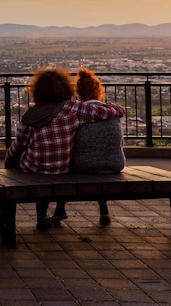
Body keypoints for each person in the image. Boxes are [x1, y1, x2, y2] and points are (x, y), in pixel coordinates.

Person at [4, 66, 125, 229]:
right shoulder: (72, 108)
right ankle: (50, 215)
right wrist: (118, 108)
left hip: (32, 168)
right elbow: (103, 111)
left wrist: (9, 161)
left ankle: (41, 217)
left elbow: (18, 145)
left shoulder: (31, 114)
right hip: (61, 168)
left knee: (28, 162)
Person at [49, 68, 126, 226]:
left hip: (84, 165)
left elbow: (69, 142)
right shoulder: (112, 112)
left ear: (78, 92)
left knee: (68, 163)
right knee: (99, 160)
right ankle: (103, 208)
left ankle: (60, 208)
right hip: (115, 164)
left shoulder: (77, 112)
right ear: (99, 91)